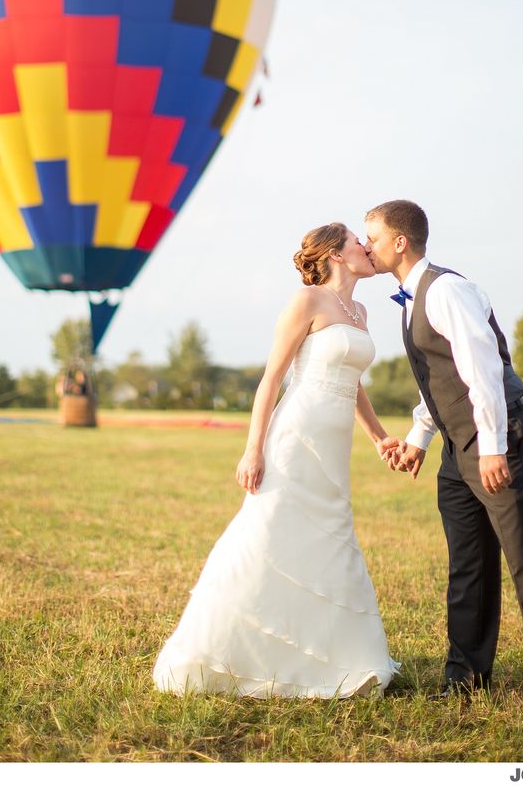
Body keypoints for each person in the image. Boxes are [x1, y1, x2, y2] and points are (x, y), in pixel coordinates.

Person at [153, 223, 402, 698]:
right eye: (357, 241)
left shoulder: (362, 310)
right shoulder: (305, 302)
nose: (368, 247)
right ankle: (224, 653)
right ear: (333, 253)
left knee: (330, 540)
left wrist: (378, 438)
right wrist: (253, 448)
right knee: (267, 533)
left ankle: (336, 657)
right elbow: (271, 379)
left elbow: (353, 384)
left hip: (334, 448)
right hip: (295, 436)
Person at [363, 199, 523, 709]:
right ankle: (465, 679)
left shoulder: (446, 290)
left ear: (399, 242)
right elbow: (439, 379)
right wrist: (419, 439)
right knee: (468, 565)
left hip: (500, 438)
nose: (365, 247)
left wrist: (494, 448)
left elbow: (481, 372)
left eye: (371, 238)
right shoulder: (412, 298)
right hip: (460, 448)